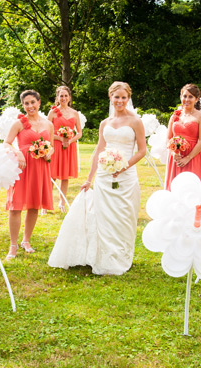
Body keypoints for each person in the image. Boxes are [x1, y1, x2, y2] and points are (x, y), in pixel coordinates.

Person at [48, 81, 146, 275]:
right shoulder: (105, 123)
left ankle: (121, 255)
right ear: (110, 97)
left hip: (126, 176)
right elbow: (100, 150)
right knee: (103, 215)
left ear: (128, 98)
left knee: (124, 216)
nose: (120, 100)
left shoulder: (135, 121)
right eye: (116, 97)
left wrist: (124, 165)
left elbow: (142, 151)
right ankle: (102, 255)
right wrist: (89, 179)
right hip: (104, 174)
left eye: (123, 97)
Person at [4, 90, 55, 260]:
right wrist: (17, 153)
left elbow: (52, 146)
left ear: (39, 103)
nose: (30, 106)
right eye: (26, 103)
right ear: (23, 105)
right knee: (16, 206)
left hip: (40, 167)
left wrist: (49, 152)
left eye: (32, 102)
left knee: (34, 205)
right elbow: (6, 143)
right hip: (22, 167)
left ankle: (26, 240)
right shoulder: (19, 123)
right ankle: (13, 245)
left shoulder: (48, 124)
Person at [164, 84, 201, 189]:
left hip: (192, 156)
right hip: (176, 157)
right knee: (174, 187)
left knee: (191, 187)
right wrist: (173, 153)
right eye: (184, 96)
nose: (186, 99)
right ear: (180, 97)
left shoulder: (200, 117)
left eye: (190, 96)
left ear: (196, 99)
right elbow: (168, 138)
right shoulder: (175, 116)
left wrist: (188, 158)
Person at [47, 86, 83, 212]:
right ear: (57, 97)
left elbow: (79, 133)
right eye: (61, 96)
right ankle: (47, 203)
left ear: (69, 97)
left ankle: (62, 202)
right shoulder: (53, 112)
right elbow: (47, 131)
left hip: (69, 147)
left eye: (65, 95)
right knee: (52, 175)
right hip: (56, 145)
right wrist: (60, 139)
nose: (63, 98)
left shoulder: (74, 113)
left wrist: (69, 141)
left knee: (65, 176)